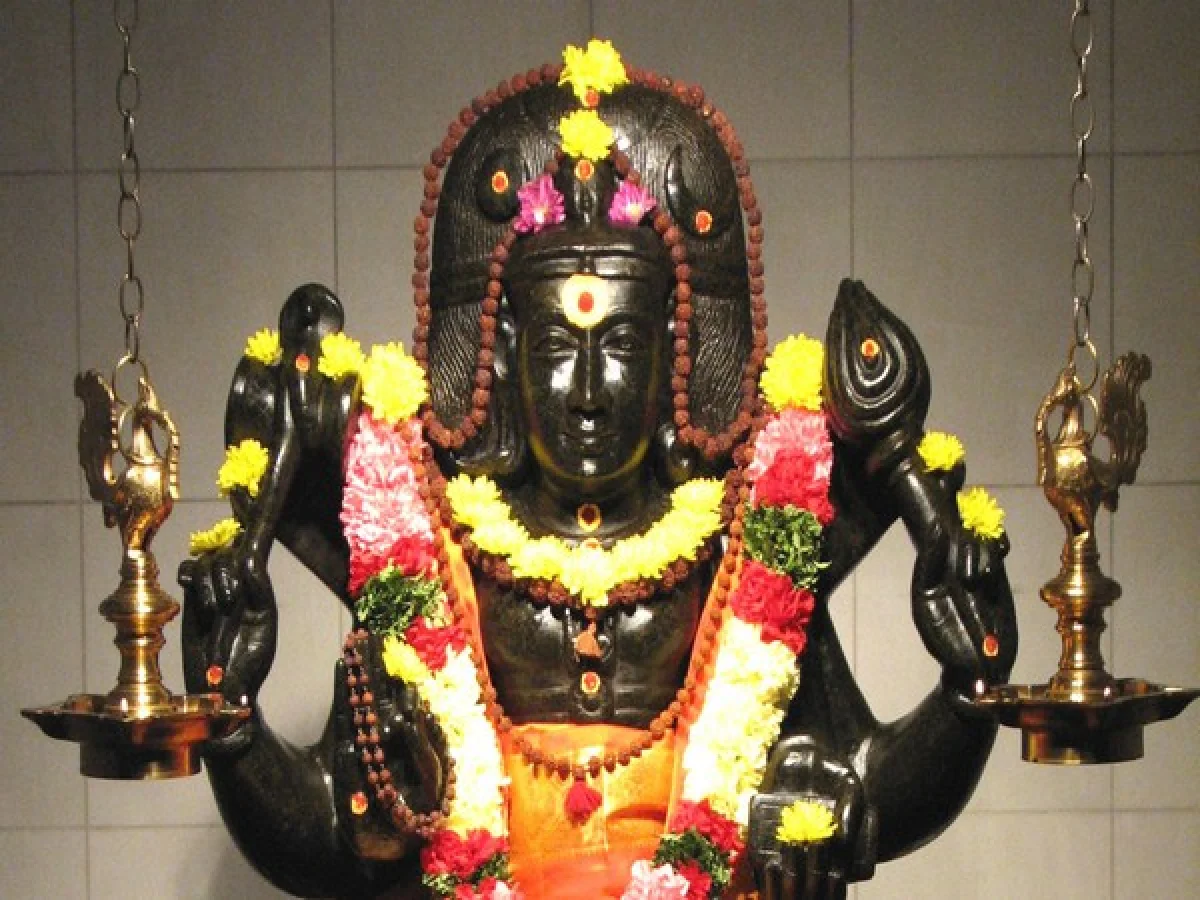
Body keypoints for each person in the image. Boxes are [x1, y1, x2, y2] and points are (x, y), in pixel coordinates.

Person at [180, 41, 1016, 900]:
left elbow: (868, 783)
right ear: (504, 358)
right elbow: (330, 838)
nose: (586, 392)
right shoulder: (426, 550)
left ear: (673, 357)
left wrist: (969, 691)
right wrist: (230, 717)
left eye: (619, 344)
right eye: (555, 346)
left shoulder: (744, 550)